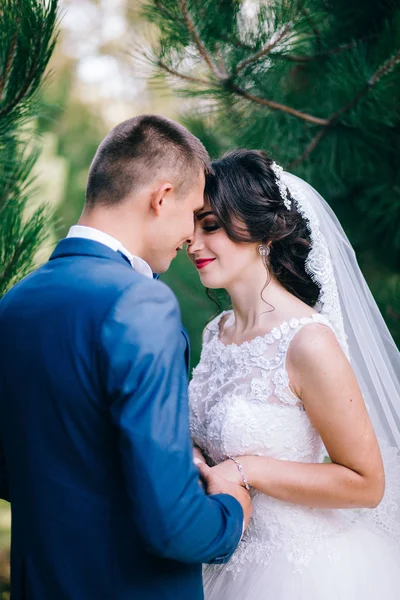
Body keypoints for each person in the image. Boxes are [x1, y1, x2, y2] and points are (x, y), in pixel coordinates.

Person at [0, 116, 252, 600]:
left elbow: (14, 465)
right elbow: (171, 525)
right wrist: (231, 515)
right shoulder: (140, 303)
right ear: (161, 198)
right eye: (193, 211)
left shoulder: (15, 302)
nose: (190, 237)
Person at [188, 149, 400, 599]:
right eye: (190, 227)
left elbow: (366, 484)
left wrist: (246, 469)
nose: (192, 243)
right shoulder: (215, 332)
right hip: (220, 555)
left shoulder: (307, 341)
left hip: (298, 572)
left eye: (210, 225)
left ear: (260, 230)